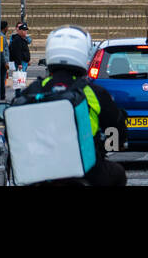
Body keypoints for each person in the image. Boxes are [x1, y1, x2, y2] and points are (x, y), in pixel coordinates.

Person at [17, 26, 128, 187]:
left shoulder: (34, 90)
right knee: (117, 174)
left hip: (43, 170)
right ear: (83, 54)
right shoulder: (93, 92)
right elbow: (116, 130)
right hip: (87, 169)